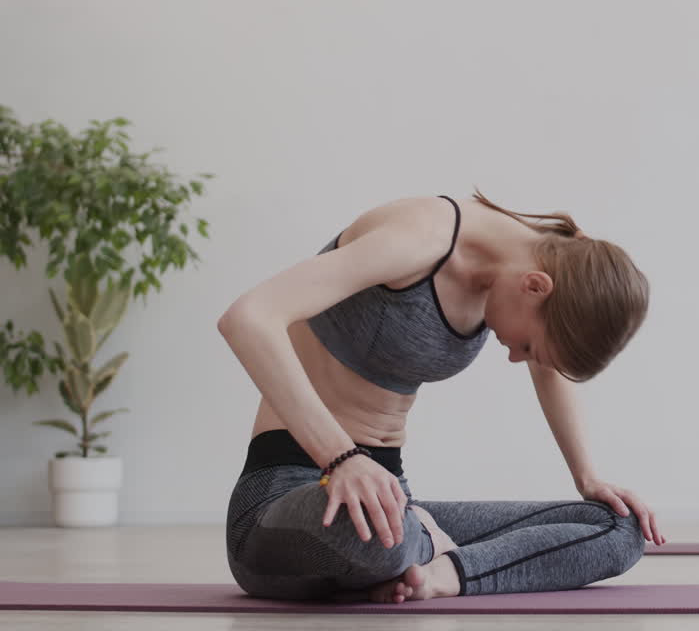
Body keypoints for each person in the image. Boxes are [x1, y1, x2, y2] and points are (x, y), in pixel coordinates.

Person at [218, 192, 663, 602]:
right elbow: (249, 318)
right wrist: (341, 458)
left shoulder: (543, 261)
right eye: (527, 347)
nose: (514, 357)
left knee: (619, 526)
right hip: (284, 503)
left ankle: (437, 575)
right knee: (366, 530)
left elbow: (549, 366)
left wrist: (588, 479)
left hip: (390, 508)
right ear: (535, 286)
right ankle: (423, 546)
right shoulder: (417, 240)